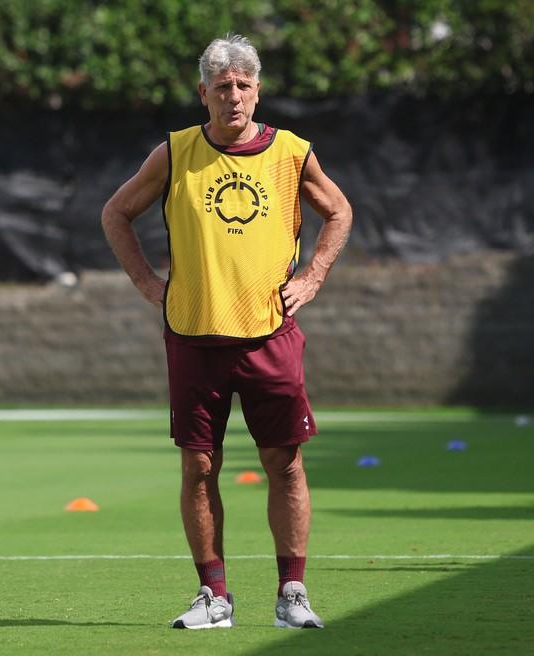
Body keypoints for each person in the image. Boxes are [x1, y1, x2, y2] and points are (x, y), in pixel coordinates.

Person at [101, 34, 352, 630]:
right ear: (203, 93)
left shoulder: (291, 152)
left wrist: (313, 275)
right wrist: (146, 281)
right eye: (222, 87)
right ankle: (214, 596)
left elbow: (338, 210)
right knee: (198, 468)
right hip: (193, 335)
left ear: (257, 90)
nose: (233, 96)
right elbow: (116, 212)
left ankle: (293, 593)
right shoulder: (175, 152)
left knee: (284, 464)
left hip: (269, 334)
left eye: (243, 86)